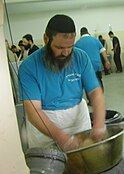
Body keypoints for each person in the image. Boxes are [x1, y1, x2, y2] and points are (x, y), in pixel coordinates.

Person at [19, 14, 106, 152]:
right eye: (59, 47)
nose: (66, 53)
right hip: (45, 123)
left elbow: (95, 92)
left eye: (70, 47)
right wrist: (62, 138)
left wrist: (99, 125)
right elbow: (33, 110)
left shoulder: (80, 57)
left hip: (78, 120)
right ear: (46, 39)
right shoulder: (29, 67)